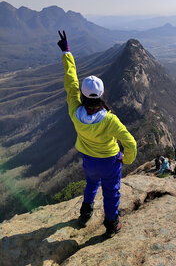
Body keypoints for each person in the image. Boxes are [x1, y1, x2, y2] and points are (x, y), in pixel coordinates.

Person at [57, 31, 137, 237]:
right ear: (102, 95)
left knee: (91, 183)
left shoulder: (75, 111)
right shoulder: (110, 120)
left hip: (89, 161)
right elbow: (131, 143)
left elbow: (71, 82)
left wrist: (67, 52)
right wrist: (125, 158)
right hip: (110, 162)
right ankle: (111, 225)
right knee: (111, 192)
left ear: (82, 96)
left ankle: (85, 214)